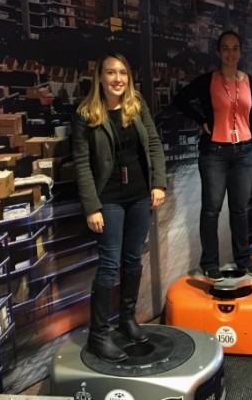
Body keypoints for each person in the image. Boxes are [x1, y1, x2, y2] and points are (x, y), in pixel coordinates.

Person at [72, 53, 167, 362]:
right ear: (100, 77)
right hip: (109, 199)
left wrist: (158, 183)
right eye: (111, 72)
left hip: (140, 195)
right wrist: (91, 207)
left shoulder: (136, 104)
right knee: (109, 264)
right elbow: (82, 164)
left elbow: (153, 143)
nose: (118, 79)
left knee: (133, 259)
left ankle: (127, 319)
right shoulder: (86, 114)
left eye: (123, 73)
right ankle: (98, 335)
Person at [172, 30, 252, 282]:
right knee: (211, 210)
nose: (230, 53)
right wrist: (201, 119)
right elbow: (180, 99)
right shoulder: (208, 81)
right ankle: (210, 263)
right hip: (215, 153)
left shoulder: (249, 81)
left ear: (240, 52)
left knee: (239, 210)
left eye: (235, 48)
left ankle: (244, 259)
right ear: (218, 52)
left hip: (243, 152)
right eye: (225, 48)